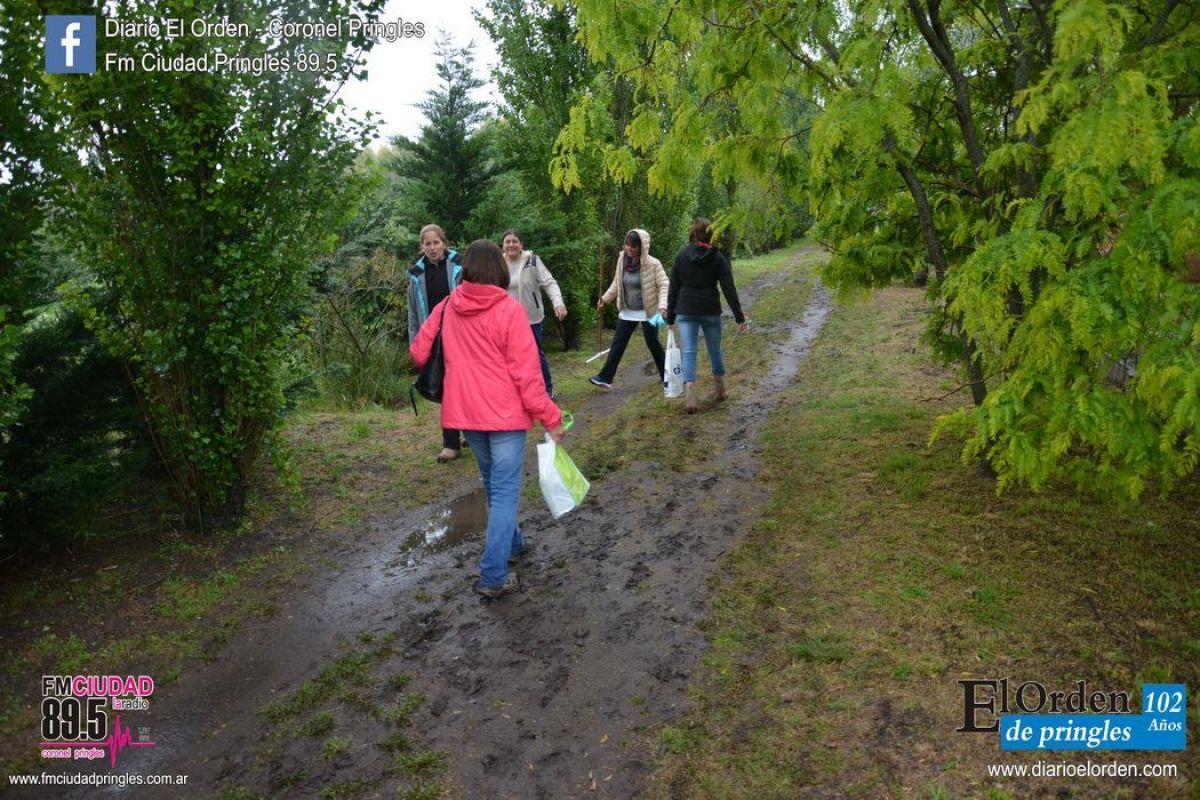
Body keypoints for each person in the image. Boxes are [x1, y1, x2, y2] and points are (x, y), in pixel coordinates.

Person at [410, 240, 566, 600]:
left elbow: (418, 352)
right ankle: (493, 575)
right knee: (505, 490)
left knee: (495, 483)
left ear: (465, 269)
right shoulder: (509, 312)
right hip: (505, 416)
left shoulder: (448, 306)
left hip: (466, 414)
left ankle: (512, 544)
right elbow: (528, 378)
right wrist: (551, 418)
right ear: (497, 268)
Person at [666, 217, 748, 413]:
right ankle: (720, 390)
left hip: (685, 310)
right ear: (711, 235)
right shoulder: (718, 257)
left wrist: (670, 317)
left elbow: (673, 288)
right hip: (710, 309)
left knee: (688, 352)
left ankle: (690, 396)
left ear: (693, 234)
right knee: (715, 350)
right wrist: (739, 316)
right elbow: (729, 288)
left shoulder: (681, 256)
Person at [408, 224, 465, 462]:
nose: (432, 248)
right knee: (446, 388)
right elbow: (412, 313)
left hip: (462, 334)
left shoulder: (460, 266)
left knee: (465, 385)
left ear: (444, 242)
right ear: (422, 246)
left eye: (436, 242)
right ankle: (450, 443)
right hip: (434, 338)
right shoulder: (416, 274)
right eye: (427, 244)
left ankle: (472, 432)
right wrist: (416, 343)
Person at [589, 228, 668, 390]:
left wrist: (662, 306)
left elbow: (664, 285)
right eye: (627, 245)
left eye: (633, 246)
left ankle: (667, 375)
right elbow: (617, 284)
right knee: (618, 343)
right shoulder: (622, 260)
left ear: (642, 247)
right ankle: (605, 377)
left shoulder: (653, 264)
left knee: (652, 342)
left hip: (649, 312)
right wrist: (605, 299)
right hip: (627, 311)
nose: (629, 249)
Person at [502, 229, 568, 398]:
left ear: (521, 244)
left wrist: (558, 304)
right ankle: (516, 392)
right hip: (506, 321)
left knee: (535, 354)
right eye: (507, 241)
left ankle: (547, 388)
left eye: (514, 241)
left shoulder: (532, 261)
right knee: (509, 358)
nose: (511, 245)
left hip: (530, 318)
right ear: (503, 245)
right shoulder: (499, 264)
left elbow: (549, 283)